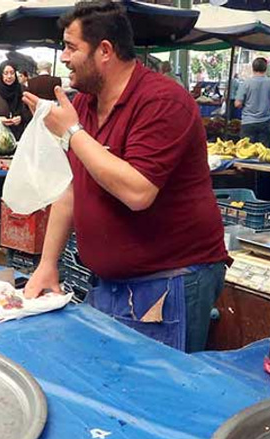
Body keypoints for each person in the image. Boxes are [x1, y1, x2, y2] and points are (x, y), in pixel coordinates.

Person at [22, 1, 229, 353]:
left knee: (158, 393)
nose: (65, 59)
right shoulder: (85, 105)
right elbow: (71, 187)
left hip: (170, 280)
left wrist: (72, 132)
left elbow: (137, 192)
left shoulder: (163, 102)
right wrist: (47, 264)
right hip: (111, 282)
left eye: (72, 48)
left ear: (105, 51)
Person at [233, 57, 270, 147]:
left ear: (252, 68)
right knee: (262, 153)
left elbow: (237, 104)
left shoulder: (246, 83)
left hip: (248, 122)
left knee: (246, 152)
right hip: (265, 122)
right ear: (266, 68)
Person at [0, 60, 31, 140]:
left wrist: (22, 118)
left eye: (12, 72)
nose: (9, 76)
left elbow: (32, 112)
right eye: (6, 73)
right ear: (1, 75)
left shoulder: (24, 90)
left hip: (21, 137)